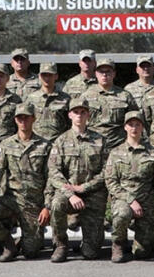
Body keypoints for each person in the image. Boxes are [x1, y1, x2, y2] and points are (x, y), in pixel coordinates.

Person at [0, 103, 52, 261]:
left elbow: (51, 178)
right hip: (11, 198)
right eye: (20, 118)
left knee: (31, 252)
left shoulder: (44, 146)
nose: (23, 121)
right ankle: (9, 244)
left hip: (33, 203)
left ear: (33, 119)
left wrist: (47, 207)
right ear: (15, 120)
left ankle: (25, 242)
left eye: (26, 118)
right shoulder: (6, 145)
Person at [47, 99, 109, 262]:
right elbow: (54, 171)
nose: (79, 115)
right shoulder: (61, 141)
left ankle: (89, 242)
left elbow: (107, 171)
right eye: (76, 112)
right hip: (69, 195)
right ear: (69, 115)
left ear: (88, 114)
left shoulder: (99, 140)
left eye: (83, 112)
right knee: (56, 204)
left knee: (91, 253)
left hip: (93, 195)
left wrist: (85, 188)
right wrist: (71, 194)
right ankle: (60, 245)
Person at [105, 111, 154, 263]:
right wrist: (130, 200)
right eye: (131, 124)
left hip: (147, 200)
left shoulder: (153, 152)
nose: (134, 128)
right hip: (124, 199)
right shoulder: (116, 152)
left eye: (138, 124)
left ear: (143, 127)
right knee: (122, 214)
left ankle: (142, 242)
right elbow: (111, 181)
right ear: (125, 127)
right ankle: (118, 244)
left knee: (142, 253)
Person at [80, 58, 137, 150]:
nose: (104, 74)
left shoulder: (125, 95)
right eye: (101, 72)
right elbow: (79, 122)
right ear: (95, 74)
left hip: (118, 145)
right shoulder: (86, 96)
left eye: (108, 71)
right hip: (93, 145)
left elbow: (135, 120)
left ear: (114, 73)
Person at [26, 62, 71, 141]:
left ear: (56, 76)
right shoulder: (31, 98)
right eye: (44, 75)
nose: (47, 78)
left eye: (50, 75)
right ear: (39, 76)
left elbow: (70, 123)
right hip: (36, 143)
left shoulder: (65, 98)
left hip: (58, 142)